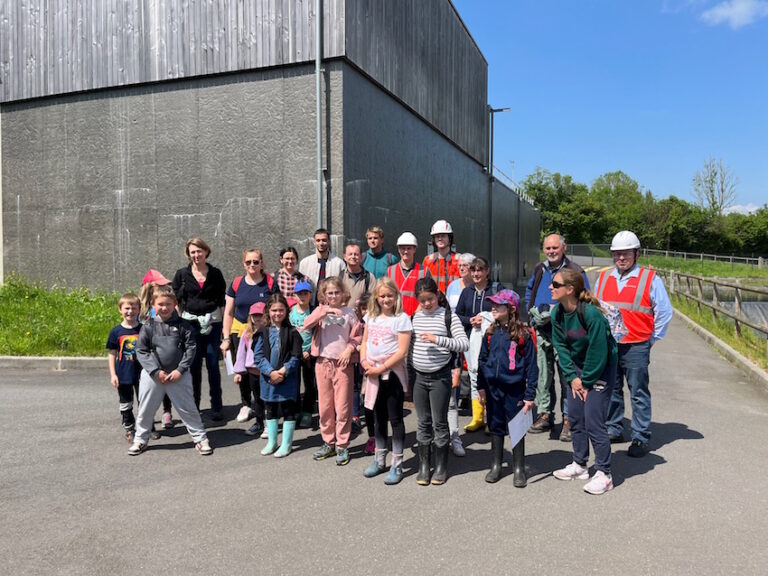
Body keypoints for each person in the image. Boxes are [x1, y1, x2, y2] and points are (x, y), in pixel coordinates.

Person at [594, 230, 673, 458]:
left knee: (638, 392)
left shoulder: (650, 279)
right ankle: (614, 427)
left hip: (637, 344)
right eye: (617, 254)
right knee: (612, 388)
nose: (621, 258)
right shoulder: (604, 277)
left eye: (626, 254)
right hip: (610, 345)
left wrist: (651, 339)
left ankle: (640, 437)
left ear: (636, 254)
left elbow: (664, 312)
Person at [551, 268, 618, 495]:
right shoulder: (557, 314)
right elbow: (561, 346)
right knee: (576, 417)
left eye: (556, 284)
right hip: (578, 369)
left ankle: (604, 473)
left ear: (570, 289)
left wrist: (586, 381)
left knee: (594, 420)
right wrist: (572, 377)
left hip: (601, 368)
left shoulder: (591, 315)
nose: (551, 287)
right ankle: (580, 465)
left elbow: (599, 351)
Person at [129, 285, 212, 456]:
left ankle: (200, 438)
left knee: (188, 409)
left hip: (178, 376)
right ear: (153, 304)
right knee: (145, 409)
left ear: (174, 304)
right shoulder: (148, 326)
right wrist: (155, 371)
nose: (164, 308)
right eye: (160, 304)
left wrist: (180, 370)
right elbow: (142, 351)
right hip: (154, 377)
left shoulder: (184, 325)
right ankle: (140, 439)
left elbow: (191, 349)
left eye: (168, 304)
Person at [525, 233, 590, 441]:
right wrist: (533, 313)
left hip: (565, 334)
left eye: (555, 248)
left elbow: (584, 297)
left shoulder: (574, 271)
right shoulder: (540, 269)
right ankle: (545, 414)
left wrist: (559, 312)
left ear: (564, 247)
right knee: (543, 377)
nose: (551, 252)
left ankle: (569, 419)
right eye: (548, 248)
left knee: (566, 376)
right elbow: (529, 293)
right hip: (542, 332)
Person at [410, 277, 469, 486]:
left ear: (437, 295)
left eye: (431, 299)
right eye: (422, 300)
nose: (427, 304)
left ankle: (441, 467)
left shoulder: (448, 317)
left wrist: (438, 340)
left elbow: (464, 344)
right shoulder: (414, 317)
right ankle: (424, 466)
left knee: (439, 422)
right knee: (422, 422)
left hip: (440, 378)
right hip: (419, 377)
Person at [477, 290, 538, 486]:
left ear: (511, 309)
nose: (493, 308)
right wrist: (480, 386)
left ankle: (519, 468)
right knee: (495, 425)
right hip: (493, 389)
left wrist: (530, 395)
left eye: (498, 305)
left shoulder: (523, 335)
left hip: (515, 390)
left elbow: (531, 366)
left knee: (517, 427)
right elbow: (482, 360)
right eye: (492, 304)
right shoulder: (490, 332)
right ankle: (496, 465)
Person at [301, 277, 361, 466]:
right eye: (329, 293)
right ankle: (329, 442)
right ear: (324, 295)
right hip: (323, 363)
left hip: (343, 364)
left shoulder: (350, 313)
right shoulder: (320, 311)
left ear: (343, 293)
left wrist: (349, 348)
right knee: (325, 406)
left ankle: (342, 444)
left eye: (337, 292)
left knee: (343, 406)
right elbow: (306, 324)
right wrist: (324, 310)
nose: (333, 296)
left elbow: (358, 336)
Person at [360, 278, 412, 485]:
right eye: (382, 296)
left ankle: (397, 464)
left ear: (396, 296)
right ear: (376, 297)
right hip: (372, 373)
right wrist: (365, 362)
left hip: (392, 375)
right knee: (377, 418)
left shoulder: (401, 319)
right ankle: (379, 459)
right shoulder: (370, 317)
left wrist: (381, 368)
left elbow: (402, 350)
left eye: (390, 295)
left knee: (395, 419)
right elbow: (364, 341)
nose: (386, 299)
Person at [172, 237, 227, 420]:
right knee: (193, 366)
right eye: (193, 252)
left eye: (199, 251)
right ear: (189, 254)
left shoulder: (216, 273)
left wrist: (223, 332)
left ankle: (217, 407)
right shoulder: (181, 275)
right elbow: (177, 300)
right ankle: (194, 405)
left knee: (213, 365)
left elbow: (221, 300)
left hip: (213, 324)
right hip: (190, 325)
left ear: (206, 252)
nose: (196, 255)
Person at [220, 248, 276, 426]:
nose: (252, 265)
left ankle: (265, 403)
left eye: (256, 262)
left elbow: (276, 308)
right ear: (244, 264)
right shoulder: (237, 283)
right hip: (240, 331)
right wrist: (226, 337)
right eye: (248, 262)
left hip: (263, 330)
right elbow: (228, 312)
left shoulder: (269, 282)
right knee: (242, 367)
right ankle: (246, 403)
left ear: (262, 263)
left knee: (261, 366)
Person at [252, 294, 303, 458]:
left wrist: (283, 371)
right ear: (268, 311)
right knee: (270, 409)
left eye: (281, 310)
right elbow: (258, 357)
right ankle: (272, 442)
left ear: (286, 311)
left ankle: (286, 444)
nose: (277, 313)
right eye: (274, 310)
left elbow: (296, 356)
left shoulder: (293, 332)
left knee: (288, 409)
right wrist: (271, 372)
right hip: (268, 379)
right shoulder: (262, 332)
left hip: (288, 378)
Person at [456, 256, 503, 433]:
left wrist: (484, 317)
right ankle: (478, 417)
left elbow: (506, 310)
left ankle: (493, 417)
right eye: (473, 270)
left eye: (480, 270)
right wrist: (470, 320)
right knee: (475, 376)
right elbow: (458, 315)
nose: (476, 273)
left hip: (493, 340)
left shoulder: (497, 289)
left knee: (492, 376)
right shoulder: (467, 292)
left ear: (487, 271)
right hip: (471, 340)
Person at [444, 252, 475, 457]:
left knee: (475, 373)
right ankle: (448, 436)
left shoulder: (477, 286)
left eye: (465, 265)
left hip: (472, 332)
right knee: (453, 386)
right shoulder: (453, 286)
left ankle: (481, 415)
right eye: (460, 265)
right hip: (454, 334)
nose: (462, 268)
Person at [139, 269, 174, 431]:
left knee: (166, 382)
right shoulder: (143, 309)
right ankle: (148, 419)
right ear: (150, 287)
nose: (164, 287)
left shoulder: (167, 304)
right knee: (150, 388)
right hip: (149, 355)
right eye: (160, 285)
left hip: (165, 354)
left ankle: (167, 411)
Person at [106, 293, 143, 442]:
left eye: (134, 308)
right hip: (123, 374)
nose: (130, 311)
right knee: (126, 403)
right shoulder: (116, 332)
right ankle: (129, 427)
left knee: (145, 402)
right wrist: (113, 374)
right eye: (127, 308)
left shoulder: (144, 329)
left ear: (139, 310)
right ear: (120, 310)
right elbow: (112, 354)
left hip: (142, 374)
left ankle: (147, 427)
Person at [233, 302, 268, 437]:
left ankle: (270, 425)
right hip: (252, 371)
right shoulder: (246, 333)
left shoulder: (269, 331)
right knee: (258, 399)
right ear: (250, 317)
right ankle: (259, 423)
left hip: (266, 371)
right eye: (255, 315)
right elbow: (241, 353)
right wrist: (238, 372)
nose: (258, 318)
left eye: (260, 315)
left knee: (268, 400)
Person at [289, 281, 317, 428]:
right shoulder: (290, 311)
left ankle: (307, 412)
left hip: (309, 353)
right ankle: (294, 411)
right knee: (293, 384)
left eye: (305, 293)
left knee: (310, 383)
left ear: (310, 295)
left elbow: (318, 334)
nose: (302, 296)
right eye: (299, 294)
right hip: (294, 353)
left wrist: (310, 351)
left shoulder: (314, 311)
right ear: (294, 296)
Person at [352, 293, 377, 455]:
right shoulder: (358, 324)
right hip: (361, 368)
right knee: (367, 405)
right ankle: (372, 437)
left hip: (376, 369)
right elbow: (352, 339)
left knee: (376, 406)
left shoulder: (378, 323)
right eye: (363, 308)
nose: (366, 311)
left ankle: (379, 436)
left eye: (369, 308)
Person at [298, 228, 346, 306]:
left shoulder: (339, 264)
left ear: (329, 242)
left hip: (331, 305)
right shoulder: (305, 263)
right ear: (314, 242)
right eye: (318, 240)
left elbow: (342, 287)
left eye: (324, 240)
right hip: (309, 305)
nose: (321, 243)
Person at [387, 232, 429, 317]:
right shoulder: (390, 271)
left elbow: (428, 296)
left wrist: (415, 316)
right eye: (403, 248)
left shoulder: (424, 271)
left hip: (418, 317)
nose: (405, 251)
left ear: (414, 249)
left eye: (409, 248)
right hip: (395, 317)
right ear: (398, 249)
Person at [422, 219, 460, 294]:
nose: (440, 239)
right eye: (437, 236)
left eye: (443, 236)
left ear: (449, 238)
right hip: (434, 302)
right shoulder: (428, 260)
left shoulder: (459, 260)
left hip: (454, 302)